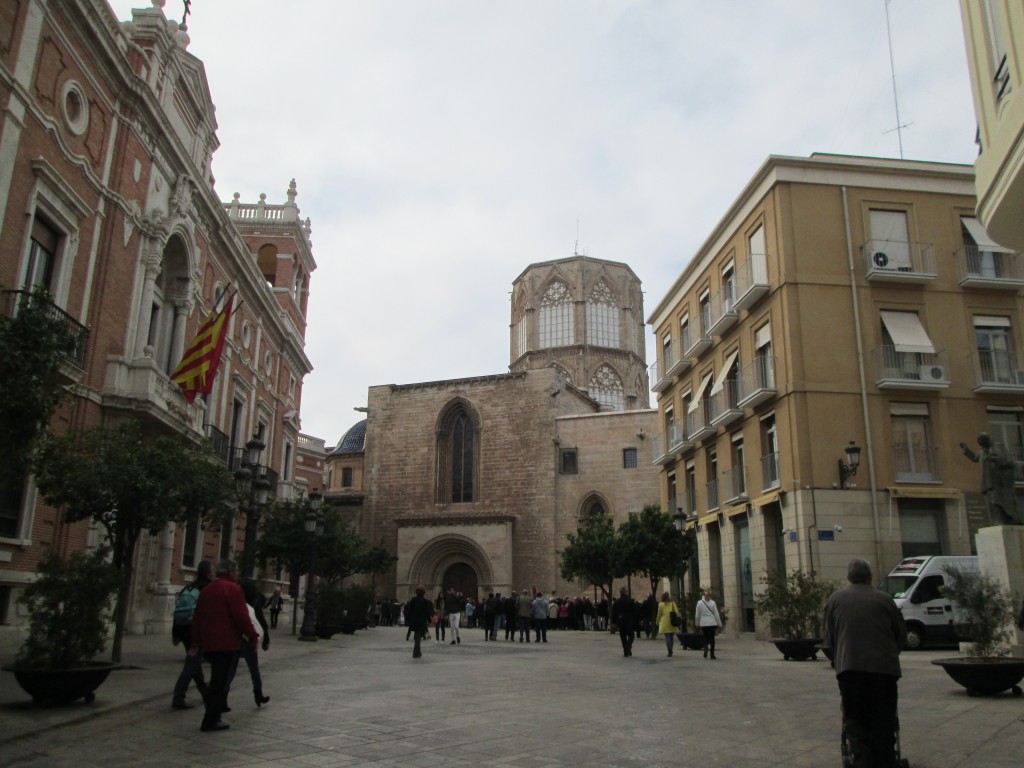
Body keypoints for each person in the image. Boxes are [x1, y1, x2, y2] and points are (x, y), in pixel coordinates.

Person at [823, 558, 906, 768]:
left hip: (850, 670)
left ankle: (861, 760)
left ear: (849, 578)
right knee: (884, 718)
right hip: (884, 670)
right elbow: (900, 634)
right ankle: (885, 760)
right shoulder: (885, 599)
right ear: (870, 577)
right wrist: (891, 653)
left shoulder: (835, 600)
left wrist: (838, 659)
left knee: (855, 718)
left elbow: (829, 638)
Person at [189, 559, 258, 732]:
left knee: (216, 680)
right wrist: (253, 636)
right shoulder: (233, 589)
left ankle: (212, 716)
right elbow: (241, 617)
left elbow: (197, 617)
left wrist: (196, 642)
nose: (237, 575)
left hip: (209, 643)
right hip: (226, 643)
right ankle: (211, 718)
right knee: (219, 683)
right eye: (236, 571)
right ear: (231, 572)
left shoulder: (207, 589)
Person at [171, 559, 212, 710]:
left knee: (195, 663)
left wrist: (175, 634)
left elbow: (177, 611)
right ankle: (178, 697)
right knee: (192, 664)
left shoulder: (188, 588)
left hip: (183, 630)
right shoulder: (207, 588)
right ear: (208, 572)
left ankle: (205, 693)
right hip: (197, 631)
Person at [224, 579, 271, 709]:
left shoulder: (237, 602)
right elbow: (262, 622)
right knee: (254, 668)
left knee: (231, 670)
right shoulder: (254, 603)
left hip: (238, 639)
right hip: (250, 640)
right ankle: (258, 694)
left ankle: (223, 697)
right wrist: (265, 640)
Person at [960, 432, 1021, 524]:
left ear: (986, 440)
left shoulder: (997, 447)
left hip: (1000, 481)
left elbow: (1006, 460)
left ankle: (1008, 519)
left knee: (1000, 500)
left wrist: (992, 459)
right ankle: (997, 520)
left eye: (981, 443)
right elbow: (976, 457)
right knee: (992, 501)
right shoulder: (983, 451)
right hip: (989, 481)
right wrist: (967, 450)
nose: (980, 446)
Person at [405, 585, 434, 659]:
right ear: (424, 593)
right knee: (418, 638)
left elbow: (409, 610)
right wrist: (430, 620)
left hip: (414, 621)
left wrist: (408, 619)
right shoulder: (424, 601)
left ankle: (418, 652)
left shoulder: (413, 600)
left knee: (417, 637)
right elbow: (426, 612)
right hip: (421, 622)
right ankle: (415, 653)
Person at [695, 588, 723, 659]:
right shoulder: (713, 603)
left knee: (705, 637)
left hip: (703, 623)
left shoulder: (699, 603)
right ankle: (712, 654)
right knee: (712, 638)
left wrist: (697, 623)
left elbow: (697, 615)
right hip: (712, 623)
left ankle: (705, 648)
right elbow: (716, 614)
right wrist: (719, 624)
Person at [612, 587, 636, 657]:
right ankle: (628, 646)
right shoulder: (631, 601)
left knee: (623, 636)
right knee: (631, 635)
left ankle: (626, 652)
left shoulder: (617, 602)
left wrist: (614, 622)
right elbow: (634, 612)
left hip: (620, 621)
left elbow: (614, 613)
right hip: (629, 620)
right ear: (625, 592)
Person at [655, 591, 680, 657]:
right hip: (672, 621)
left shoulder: (661, 604)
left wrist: (657, 621)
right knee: (671, 636)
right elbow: (677, 612)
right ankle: (671, 649)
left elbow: (659, 614)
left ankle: (669, 650)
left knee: (667, 637)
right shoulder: (672, 603)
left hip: (664, 622)